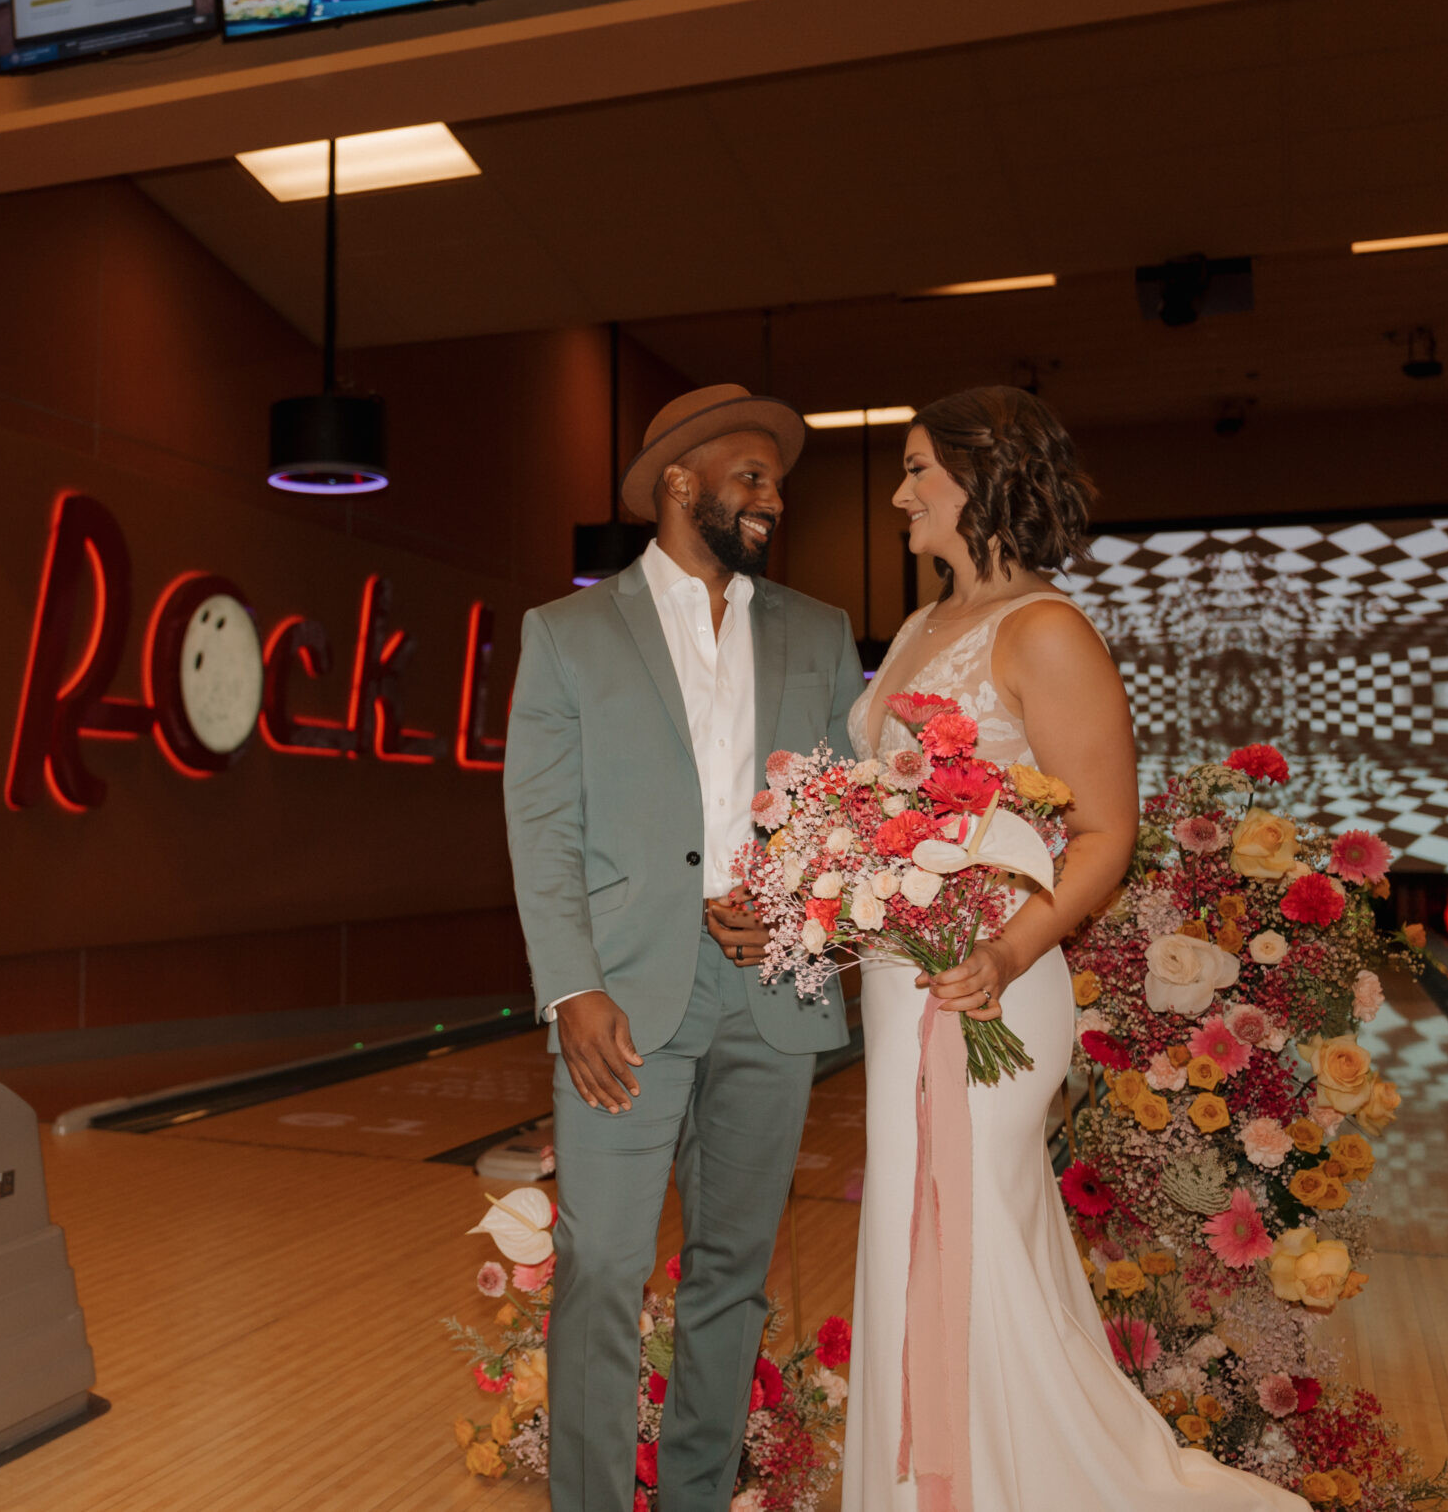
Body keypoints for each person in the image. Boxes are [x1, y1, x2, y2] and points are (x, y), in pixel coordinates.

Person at [840, 387, 1305, 1511]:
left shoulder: (1043, 630)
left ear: (983, 479)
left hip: (991, 988)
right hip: (904, 986)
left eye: (916, 470)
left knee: (959, 1241)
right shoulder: (918, 628)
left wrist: (1003, 951)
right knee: (919, 1241)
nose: (899, 492)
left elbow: (1105, 833)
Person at [504, 384, 864, 1512]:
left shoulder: (814, 632)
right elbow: (540, 823)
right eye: (751, 478)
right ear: (678, 483)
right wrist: (572, 987)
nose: (771, 500)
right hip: (619, 1000)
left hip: (771, 990)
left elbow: (839, 814)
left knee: (732, 1278)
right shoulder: (565, 634)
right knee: (602, 1272)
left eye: (776, 485)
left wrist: (795, 900)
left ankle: (701, 1497)